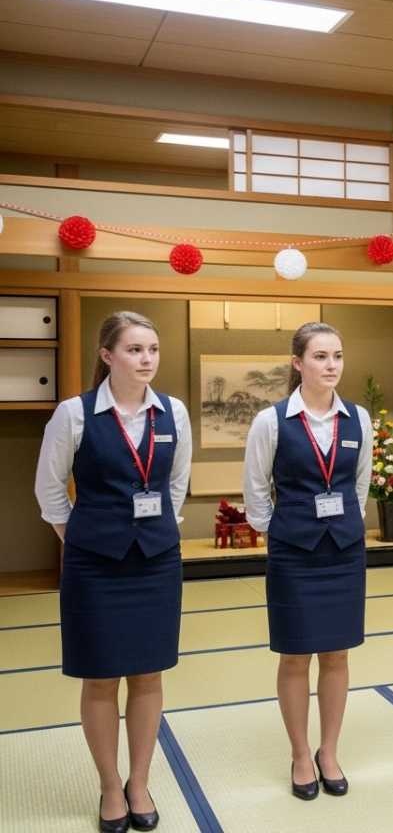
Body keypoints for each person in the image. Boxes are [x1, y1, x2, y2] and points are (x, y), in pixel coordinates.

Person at [35, 311, 192, 833]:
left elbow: (175, 486)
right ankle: (109, 785)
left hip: (156, 562)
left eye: (153, 349)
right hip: (95, 566)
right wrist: (82, 538)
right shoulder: (75, 414)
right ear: (107, 356)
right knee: (100, 677)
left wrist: (156, 531)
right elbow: (49, 490)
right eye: (134, 349)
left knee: (149, 673)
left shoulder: (173, 412)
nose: (147, 359)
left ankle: (139, 781)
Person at [243, 322, 374, 799]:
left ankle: (329, 750)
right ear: (298, 363)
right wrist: (279, 530)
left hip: (343, 551)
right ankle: (300, 753)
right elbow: (256, 489)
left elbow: (359, 485)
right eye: (320, 356)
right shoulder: (272, 421)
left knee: (337, 653)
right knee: (295, 655)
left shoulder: (358, 419)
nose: (331, 365)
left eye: (337, 355)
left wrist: (345, 525)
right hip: (294, 553)